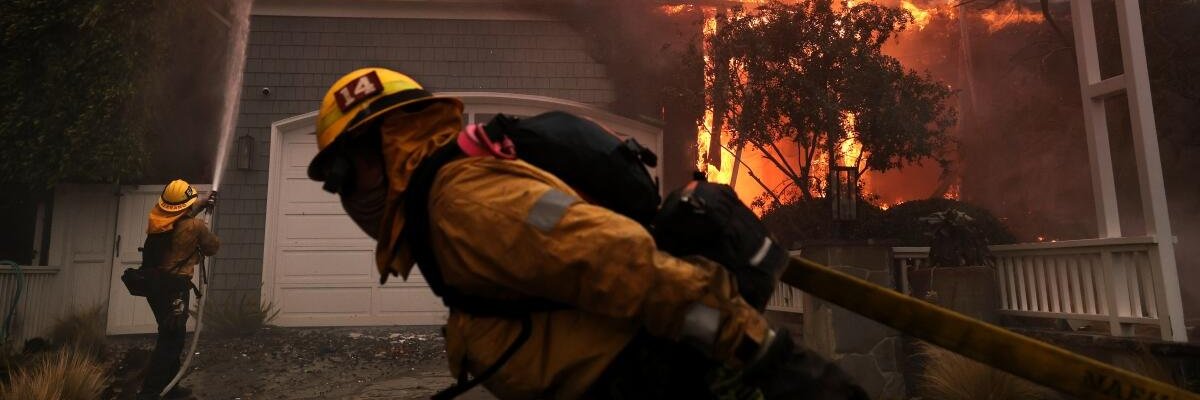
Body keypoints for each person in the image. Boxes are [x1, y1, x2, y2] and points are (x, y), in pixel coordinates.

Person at [308, 68, 865, 399]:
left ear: (383, 151)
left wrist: (752, 348)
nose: (345, 194)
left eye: (343, 175)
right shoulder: (442, 204)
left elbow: (614, 259)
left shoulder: (463, 201)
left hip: (639, 380)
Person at [137, 179, 219, 400]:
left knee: (171, 335)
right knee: (171, 341)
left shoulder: (159, 219)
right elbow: (212, 247)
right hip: (175, 290)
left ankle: (171, 388)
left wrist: (201, 205)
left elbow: (182, 218)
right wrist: (204, 230)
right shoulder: (194, 227)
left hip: (156, 287)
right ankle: (150, 393)